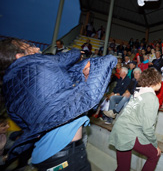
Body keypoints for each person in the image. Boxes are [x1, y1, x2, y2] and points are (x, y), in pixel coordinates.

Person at [0, 38, 117, 170]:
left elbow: (61, 93)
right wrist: (79, 52)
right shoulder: (35, 65)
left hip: (45, 154)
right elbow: (65, 59)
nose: (38, 49)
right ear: (19, 56)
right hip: (64, 156)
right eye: (30, 47)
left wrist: (83, 76)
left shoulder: (13, 88)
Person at [109, 68, 162, 171]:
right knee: (154, 155)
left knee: (123, 168)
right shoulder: (151, 97)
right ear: (155, 81)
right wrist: (155, 144)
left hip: (120, 129)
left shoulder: (139, 91)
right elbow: (147, 128)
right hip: (129, 132)